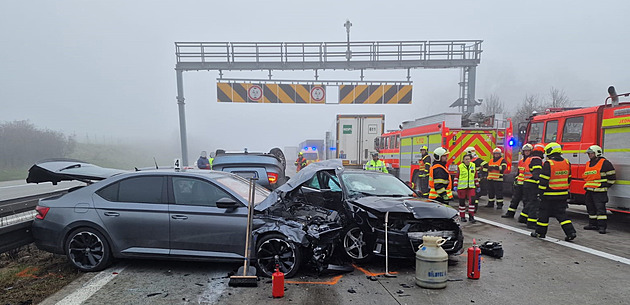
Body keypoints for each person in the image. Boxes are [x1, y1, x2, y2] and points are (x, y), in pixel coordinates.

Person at [531, 142, 577, 241]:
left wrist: (540, 193)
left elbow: (543, 180)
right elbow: (569, 178)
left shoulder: (549, 163)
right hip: (562, 194)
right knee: (562, 214)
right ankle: (571, 232)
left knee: (543, 214)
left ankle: (540, 233)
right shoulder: (567, 162)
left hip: (549, 195)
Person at [583, 145, 616, 234]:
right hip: (589, 191)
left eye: (591, 153)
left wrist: (605, 186)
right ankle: (592, 224)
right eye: (589, 153)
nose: (589, 155)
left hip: (600, 192)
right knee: (591, 209)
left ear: (597, 153)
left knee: (600, 210)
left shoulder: (605, 163)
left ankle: (602, 227)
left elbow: (612, 177)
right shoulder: (588, 163)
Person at [503, 144, 532, 219]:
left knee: (526, 201)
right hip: (519, 183)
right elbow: (519, 172)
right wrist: (516, 179)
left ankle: (525, 216)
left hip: (527, 184)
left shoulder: (532, 160)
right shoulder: (521, 161)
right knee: (515, 199)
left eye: (528, 151)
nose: (526, 152)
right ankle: (510, 213)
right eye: (525, 151)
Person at [522, 144, 545, 229]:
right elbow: (536, 173)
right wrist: (540, 183)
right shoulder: (537, 159)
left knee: (530, 202)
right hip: (533, 184)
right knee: (534, 203)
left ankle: (523, 217)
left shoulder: (530, 158)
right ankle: (531, 223)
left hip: (527, 183)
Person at [454, 154, 479, 223]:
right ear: (463, 160)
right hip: (462, 187)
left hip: (471, 187)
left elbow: (475, 177)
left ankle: (471, 216)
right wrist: (455, 185)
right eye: (466, 159)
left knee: (472, 202)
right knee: (462, 203)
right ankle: (462, 217)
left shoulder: (473, 166)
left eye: (469, 159)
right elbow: (457, 176)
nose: (468, 160)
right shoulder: (460, 167)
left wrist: (478, 185)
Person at [464, 147, 487, 211]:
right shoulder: (472, 160)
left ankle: (474, 208)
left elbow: (486, 165)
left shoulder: (477, 160)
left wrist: (483, 174)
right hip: (471, 180)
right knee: (472, 195)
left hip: (475, 180)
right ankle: (472, 207)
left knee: (474, 195)